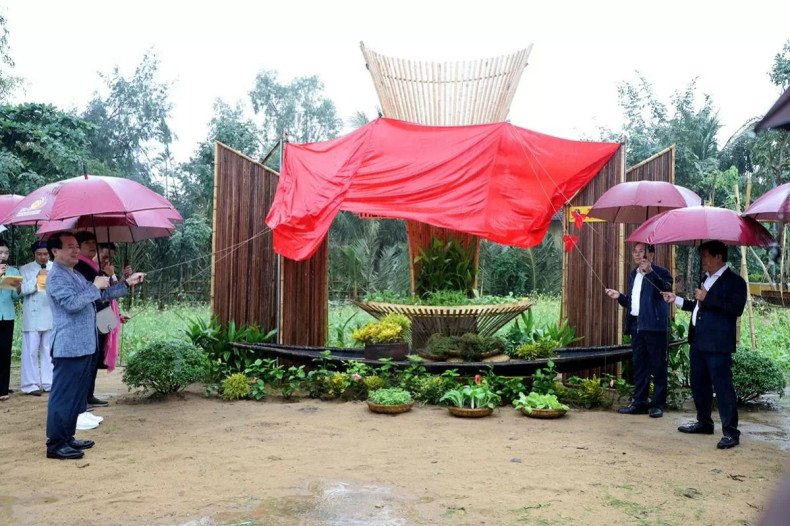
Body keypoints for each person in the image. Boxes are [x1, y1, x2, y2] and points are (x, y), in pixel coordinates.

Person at [45, 232, 144, 459]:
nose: (76, 250)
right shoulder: (57, 276)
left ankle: (67, 437)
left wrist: (126, 283)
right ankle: (56, 443)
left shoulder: (73, 273)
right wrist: (94, 287)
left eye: (76, 246)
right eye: (69, 246)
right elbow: (71, 304)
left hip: (84, 345)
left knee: (76, 396)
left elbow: (100, 296)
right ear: (55, 251)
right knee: (63, 396)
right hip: (69, 347)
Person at [662, 240, 746, 449]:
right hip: (698, 341)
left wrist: (708, 298)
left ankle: (731, 432)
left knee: (722, 386)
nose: (703, 260)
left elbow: (736, 309)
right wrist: (677, 300)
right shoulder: (705, 278)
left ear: (719, 257)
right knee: (699, 384)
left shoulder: (735, 282)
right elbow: (699, 307)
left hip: (718, 344)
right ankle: (704, 422)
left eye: (706, 255)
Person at [605, 243, 673, 418]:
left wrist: (650, 272)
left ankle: (657, 405)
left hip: (655, 326)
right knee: (640, 366)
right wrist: (619, 297)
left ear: (651, 253)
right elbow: (633, 302)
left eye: (640, 251)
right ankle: (639, 403)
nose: (636, 254)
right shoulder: (633, 274)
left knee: (658, 366)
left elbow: (666, 289)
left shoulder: (662, 272)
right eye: (634, 251)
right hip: (637, 325)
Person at [73, 231, 110, 408]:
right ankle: (83, 397)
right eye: (87, 242)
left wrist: (124, 280)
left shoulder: (96, 267)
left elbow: (107, 291)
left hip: (103, 313)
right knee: (90, 357)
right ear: (78, 246)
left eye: (94, 242)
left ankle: (89, 394)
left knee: (96, 355)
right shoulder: (80, 266)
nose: (91, 245)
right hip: (91, 315)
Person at [19, 240, 53, 395]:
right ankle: (30, 384)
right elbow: (21, 291)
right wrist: (36, 278)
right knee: (30, 351)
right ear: (34, 254)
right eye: (39, 254)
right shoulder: (25, 269)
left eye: (45, 254)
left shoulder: (56, 267)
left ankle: (49, 382)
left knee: (48, 350)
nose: (42, 257)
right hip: (32, 316)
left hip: (50, 313)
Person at [97, 242, 132, 372]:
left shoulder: (107, 271)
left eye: (110, 258)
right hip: (96, 315)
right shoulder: (91, 271)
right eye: (105, 257)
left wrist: (123, 276)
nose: (107, 261)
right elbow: (104, 295)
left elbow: (114, 291)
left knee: (103, 348)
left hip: (106, 313)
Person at [0, 239, 21, 402]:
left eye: (6, 252)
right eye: (0, 252)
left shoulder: (12, 270)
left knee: (5, 351)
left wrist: (18, 288)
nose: (4, 256)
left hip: (7, 315)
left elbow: (14, 296)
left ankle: (3, 388)